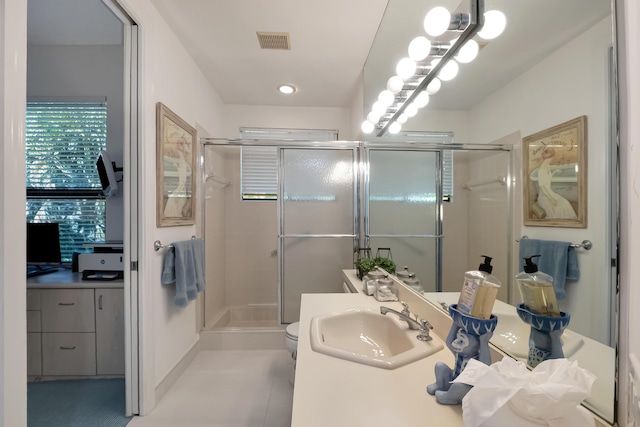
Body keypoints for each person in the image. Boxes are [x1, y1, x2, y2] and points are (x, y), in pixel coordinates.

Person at [534, 146, 577, 219]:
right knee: (560, 206)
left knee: (565, 202)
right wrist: (551, 199)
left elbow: (548, 178)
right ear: (547, 158)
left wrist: (555, 172)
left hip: (550, 193)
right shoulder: (541, 171)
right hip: (545, 196)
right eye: (551, 157)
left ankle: (570, 220)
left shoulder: (547, 166)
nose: (552, 159)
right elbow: (543, 187)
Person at [163, 131, 192, 218]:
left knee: (175, 200)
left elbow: (183, 175)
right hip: (181, 182)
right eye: (177, 143)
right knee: (174, 200)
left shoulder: (181, 156)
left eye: (180, 144)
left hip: (181, 183)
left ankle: (173, 215)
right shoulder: (180, 156)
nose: (178, 145)